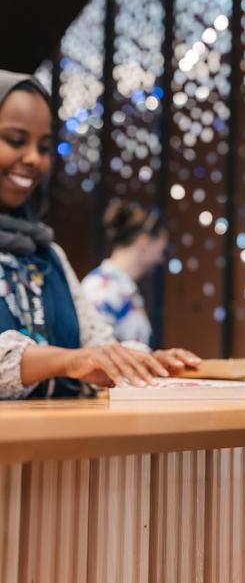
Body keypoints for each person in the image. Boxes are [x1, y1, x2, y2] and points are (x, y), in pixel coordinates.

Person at [0, 69, 200, 399]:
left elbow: (95, 346)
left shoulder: (48, 254)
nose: (34, 159)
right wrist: (69, 360)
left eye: (45, 146)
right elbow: (76, 358)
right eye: (15, 141)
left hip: (61, 445)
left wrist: (139, 362)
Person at [81, 200, 168, 345]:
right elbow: (92, 351)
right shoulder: (102, 288)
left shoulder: (121, 288)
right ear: (144, 244)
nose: (160, 259)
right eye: (161, 251)